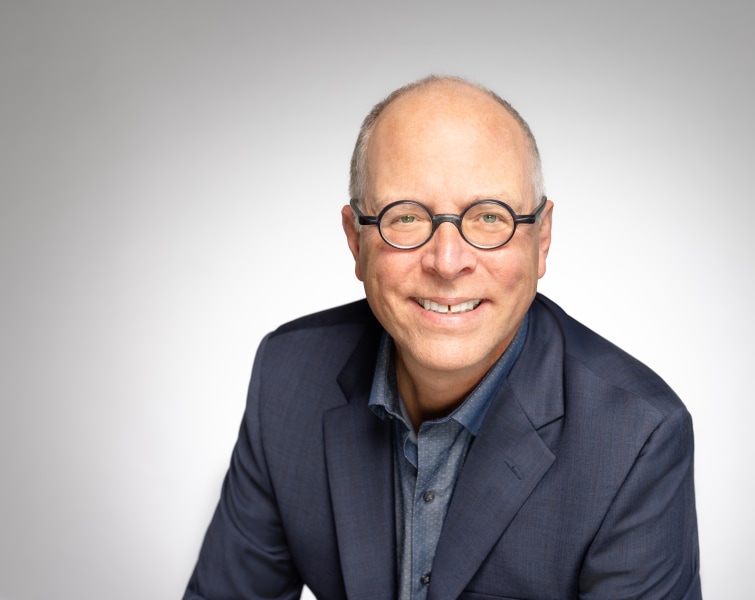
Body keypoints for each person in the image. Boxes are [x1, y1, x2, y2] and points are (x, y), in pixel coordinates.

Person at [184, 75, 701, 600]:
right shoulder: (288, 377)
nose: (448, 262)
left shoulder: (637, 437)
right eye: (405, 216)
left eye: (489, 217)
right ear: (355, 240)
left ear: (541, 240)